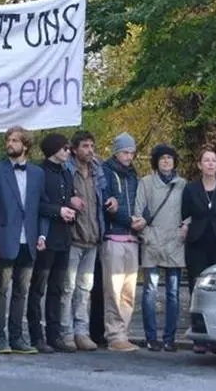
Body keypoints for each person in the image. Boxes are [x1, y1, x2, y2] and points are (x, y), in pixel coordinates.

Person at [0, 126, 46, 355]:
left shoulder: (38, 174)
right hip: (5, 237)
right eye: (8, 140)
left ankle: (18, 338)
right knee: (1, 289)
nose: (10, 143)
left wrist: (41, 234)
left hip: (29, 239)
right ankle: (0, 338)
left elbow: (42, 208)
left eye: (15, 140)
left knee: (22, 291)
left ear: (25, 145)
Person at [180, 146, 216, 354]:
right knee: (197, 288)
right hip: (197, 243)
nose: (210, 164)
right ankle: (199, 335)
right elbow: (185, 213)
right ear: (200, 165)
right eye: (206, 160)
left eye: (213, 161)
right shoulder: (191, 189)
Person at [133, 143, 185, 352]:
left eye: (170, 158)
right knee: (150, 291)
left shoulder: (182, 184)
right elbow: (138, 212)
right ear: (156, 161)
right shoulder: (145, 182)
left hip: (174, 242)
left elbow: (188, 212)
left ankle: (169, 338)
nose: (166, 161)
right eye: (162, 158)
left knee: (173, 292)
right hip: (152, 242)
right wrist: (146, 236)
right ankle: (151, 337)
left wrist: (185, 229)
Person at [31, 133, 77, 354]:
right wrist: (58, 210)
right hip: (45, 237)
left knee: (57, 289)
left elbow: (67, 199)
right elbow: (36, 204)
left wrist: (69, 210)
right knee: (38, 287)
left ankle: (54, 333)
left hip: (63, 236)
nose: (68, 152)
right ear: (54, 150)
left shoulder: (67, 173)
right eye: (65, 148)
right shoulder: (40, 173)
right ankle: (36, 335)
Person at [60, 130, 105, 352]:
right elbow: (56, 196)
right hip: (74, 237)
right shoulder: (67, 170)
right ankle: (66, 332)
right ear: (75, 149)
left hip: (93, 237)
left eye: (92, 146)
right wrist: (68, 200)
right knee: (68, 287)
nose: (90, 150)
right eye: (85, 146)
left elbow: (103, 198)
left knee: (85, 288)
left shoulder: (97, 172)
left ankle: (82, 332)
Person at [99, 132, 140, 352]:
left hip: (133, 237)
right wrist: (128, 219)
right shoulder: (105, 172)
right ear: (116, 151)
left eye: (131, 152)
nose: (129, 156)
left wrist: (143, 219)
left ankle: (124, 332)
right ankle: (114, 335)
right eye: (125, 152)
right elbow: (108, 205)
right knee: (113, 290)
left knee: (128, 291)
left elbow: (139, 201)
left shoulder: (134, 175)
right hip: (114, 236)